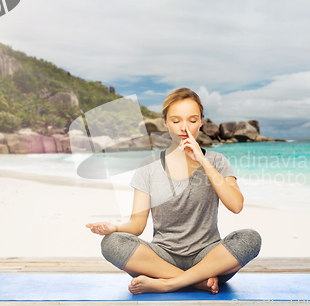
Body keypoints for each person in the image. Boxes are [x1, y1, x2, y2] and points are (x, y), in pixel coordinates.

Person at [86, 87, 261, 295]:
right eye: (176, 121)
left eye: (192, 120)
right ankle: (196, 282)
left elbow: (236, 205)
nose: (184, 128)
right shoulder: (149, 165)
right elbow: (137, 224)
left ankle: (169, 283)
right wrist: (113, 226)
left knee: (250, 238)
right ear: (166, 123)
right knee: (111, 243)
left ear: (202, 122)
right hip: (161, 258)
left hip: (209, 258)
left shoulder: (217, 161)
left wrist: (203, 160)